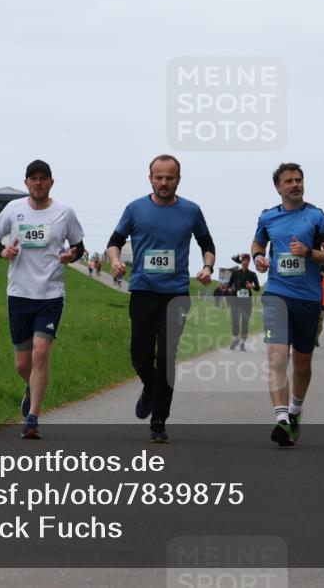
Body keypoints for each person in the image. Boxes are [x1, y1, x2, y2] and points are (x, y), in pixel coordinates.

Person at [107, 154, 215, 443]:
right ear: (150, 178)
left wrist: (207, 268)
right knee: (140, 356)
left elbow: (207, 244)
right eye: (159, 177)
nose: (164, 182)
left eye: (170, 177)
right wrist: (115, 261)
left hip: (175, 294)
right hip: (143, 291)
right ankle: (148, 385)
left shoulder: (191, 211)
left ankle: (159, 421)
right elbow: (114, 243)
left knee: (167, 358)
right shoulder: (135, 208)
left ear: (178, 179)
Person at [0, 160, 85, 440]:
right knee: (22, 363)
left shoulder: (64, 212)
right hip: (19, 293)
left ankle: (32, 418)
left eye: (43, 178)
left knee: (41, 352)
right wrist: (2, 251)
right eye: (33, 178)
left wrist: (71, 255)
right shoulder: (14, 209)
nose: (38, 183)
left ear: (51, 182)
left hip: (50, 294)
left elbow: (79, 246)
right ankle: (31, 386)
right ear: (26, 182)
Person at [252, 162, 324, 447]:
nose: (295, 185)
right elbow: (257, 245)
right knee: (278, 359)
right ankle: (280, 419)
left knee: (302, 365)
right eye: (289, 181)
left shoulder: (317, 217)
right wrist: (258, 259)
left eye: (299, 180)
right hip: (277, 295)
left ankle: (294, 413)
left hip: (307, 299)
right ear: (278, 187)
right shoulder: (268, 218)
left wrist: (310, 253)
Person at [227, 253, 260, 351]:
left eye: (247, 260)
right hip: (236, 301)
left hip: (247, 302)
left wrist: (252, 286)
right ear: (241, 262)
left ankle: (242, 342)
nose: (245, 262)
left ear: (249, 262)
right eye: (244, 260)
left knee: (245, 322)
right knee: (235, 320)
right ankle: (236, 339)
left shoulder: (252, 274)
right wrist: (229, 289)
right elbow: (229, 284)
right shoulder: (235, 273)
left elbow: (257, 288)